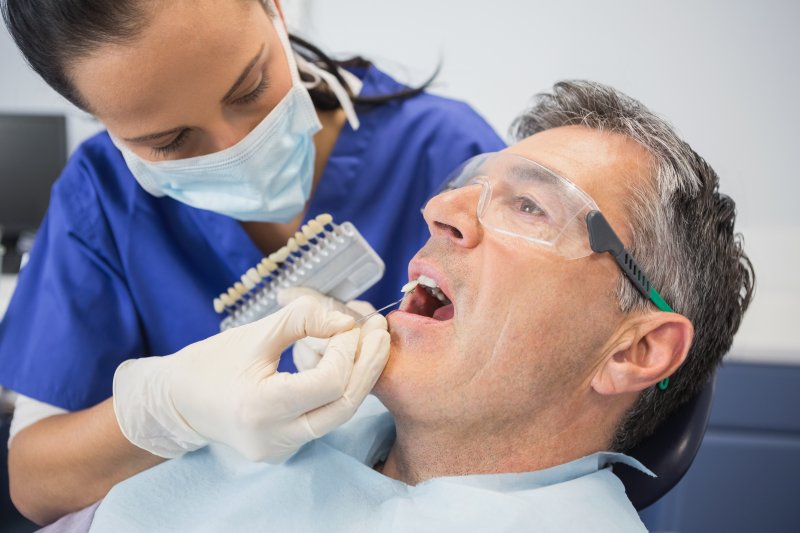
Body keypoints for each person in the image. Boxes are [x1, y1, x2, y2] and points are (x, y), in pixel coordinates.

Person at [42, 80, 754, 532]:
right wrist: (164, 411)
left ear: (636, 349)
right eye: (466, 187)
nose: (439, 209)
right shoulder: (291, 438)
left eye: (532, 206)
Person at [0, 0, 505, 524]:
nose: (236, 149)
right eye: (169, 141)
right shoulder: (102, 197)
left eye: (249, 89)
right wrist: (168, 411)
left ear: (275, 12)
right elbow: (36, 483)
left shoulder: (445, 152)